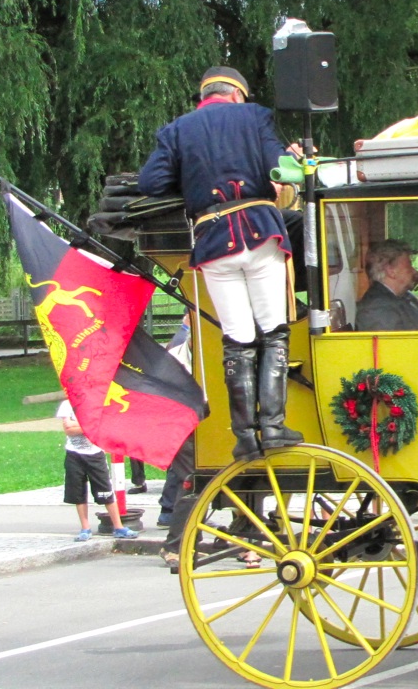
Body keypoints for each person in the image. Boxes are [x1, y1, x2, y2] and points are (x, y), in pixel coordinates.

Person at [139, 66, 301, 460]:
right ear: (237, 94)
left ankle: (244, 436)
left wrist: (191, 178)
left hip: (213, 241)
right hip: (260, 233)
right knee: (273, 330)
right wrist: (294, 160)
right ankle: (273, 426)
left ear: (205, 95)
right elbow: (283, 169)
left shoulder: (176, 130)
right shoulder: (254, 116)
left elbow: (151, 183)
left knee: (237, 339)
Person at [58, 400, 140, 542]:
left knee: (105, 490)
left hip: (95, 454)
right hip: (74, 454)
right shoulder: (67, 404)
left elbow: (100, 427)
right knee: (78, 491)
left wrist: (78, 425)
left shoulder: (96, 402)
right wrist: (88, 427)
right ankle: (85, 528)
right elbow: (68, 429)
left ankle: (118, 527)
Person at [356, 239, 418, 331]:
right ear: (391, 271)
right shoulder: (378, 308)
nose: (414, 271)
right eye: (409, 265)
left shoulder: (404, 296)